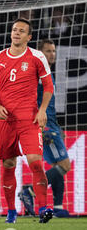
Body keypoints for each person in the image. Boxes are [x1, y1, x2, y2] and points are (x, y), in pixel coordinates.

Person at [0, 18, 55, 224]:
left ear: (28, 37)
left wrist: (42, 110)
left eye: (21, 31)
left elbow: (48, 86)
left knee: (36, 163)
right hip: (6, 120)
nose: (16, 33)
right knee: (8, 164)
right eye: (14, 29)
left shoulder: (37, 56)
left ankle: (42, 208)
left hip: (29, 118)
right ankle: (11, 211)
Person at [36, 39, 70, 218]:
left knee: (57, 166)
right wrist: (40, 125)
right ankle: (31, 191)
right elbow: (33, 99)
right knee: (65, 165)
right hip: (45, 124)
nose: (52, 54)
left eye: (53, 51)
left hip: (51, 123)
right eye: (48, 51)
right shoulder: (39, 72)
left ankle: (57, 206)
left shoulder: (47, 72)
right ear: (40, 53)